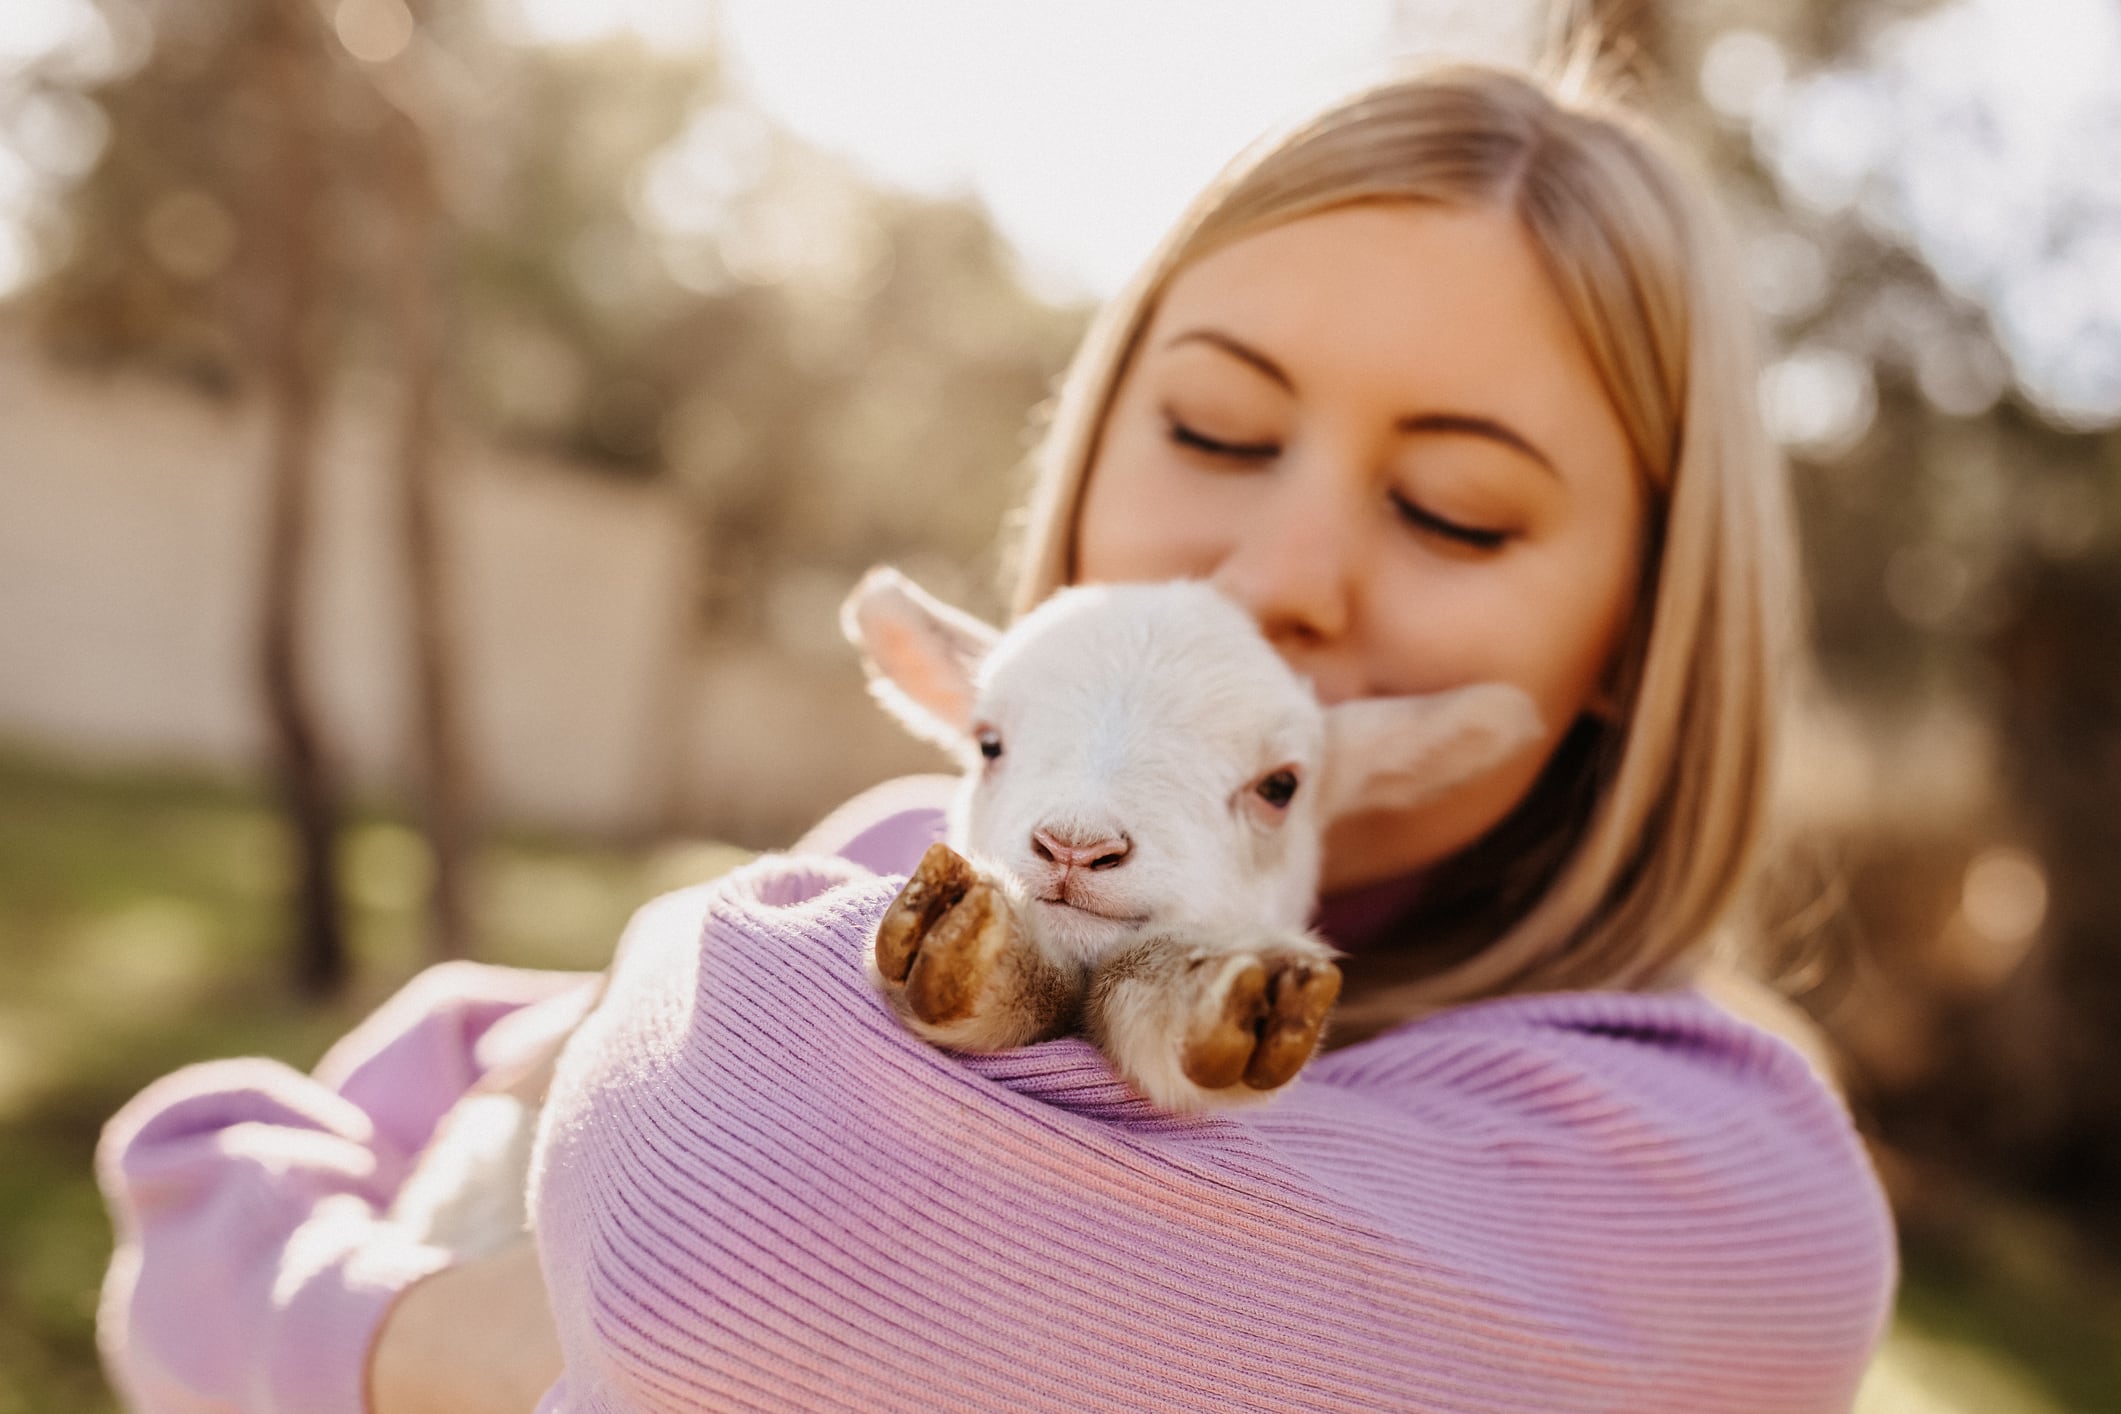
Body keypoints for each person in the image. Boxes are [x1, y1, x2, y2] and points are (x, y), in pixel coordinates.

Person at [96, 58, 1896, 1413]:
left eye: (1453, 509)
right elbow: (195, 1204)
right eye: (1209, 423)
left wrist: (475, 1283)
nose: (1278, 573)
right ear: (1096, 426)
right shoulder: (911, 846)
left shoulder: (1709, 1177)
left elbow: (753, 1203)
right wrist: (424, 1324)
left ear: (1631, 638)